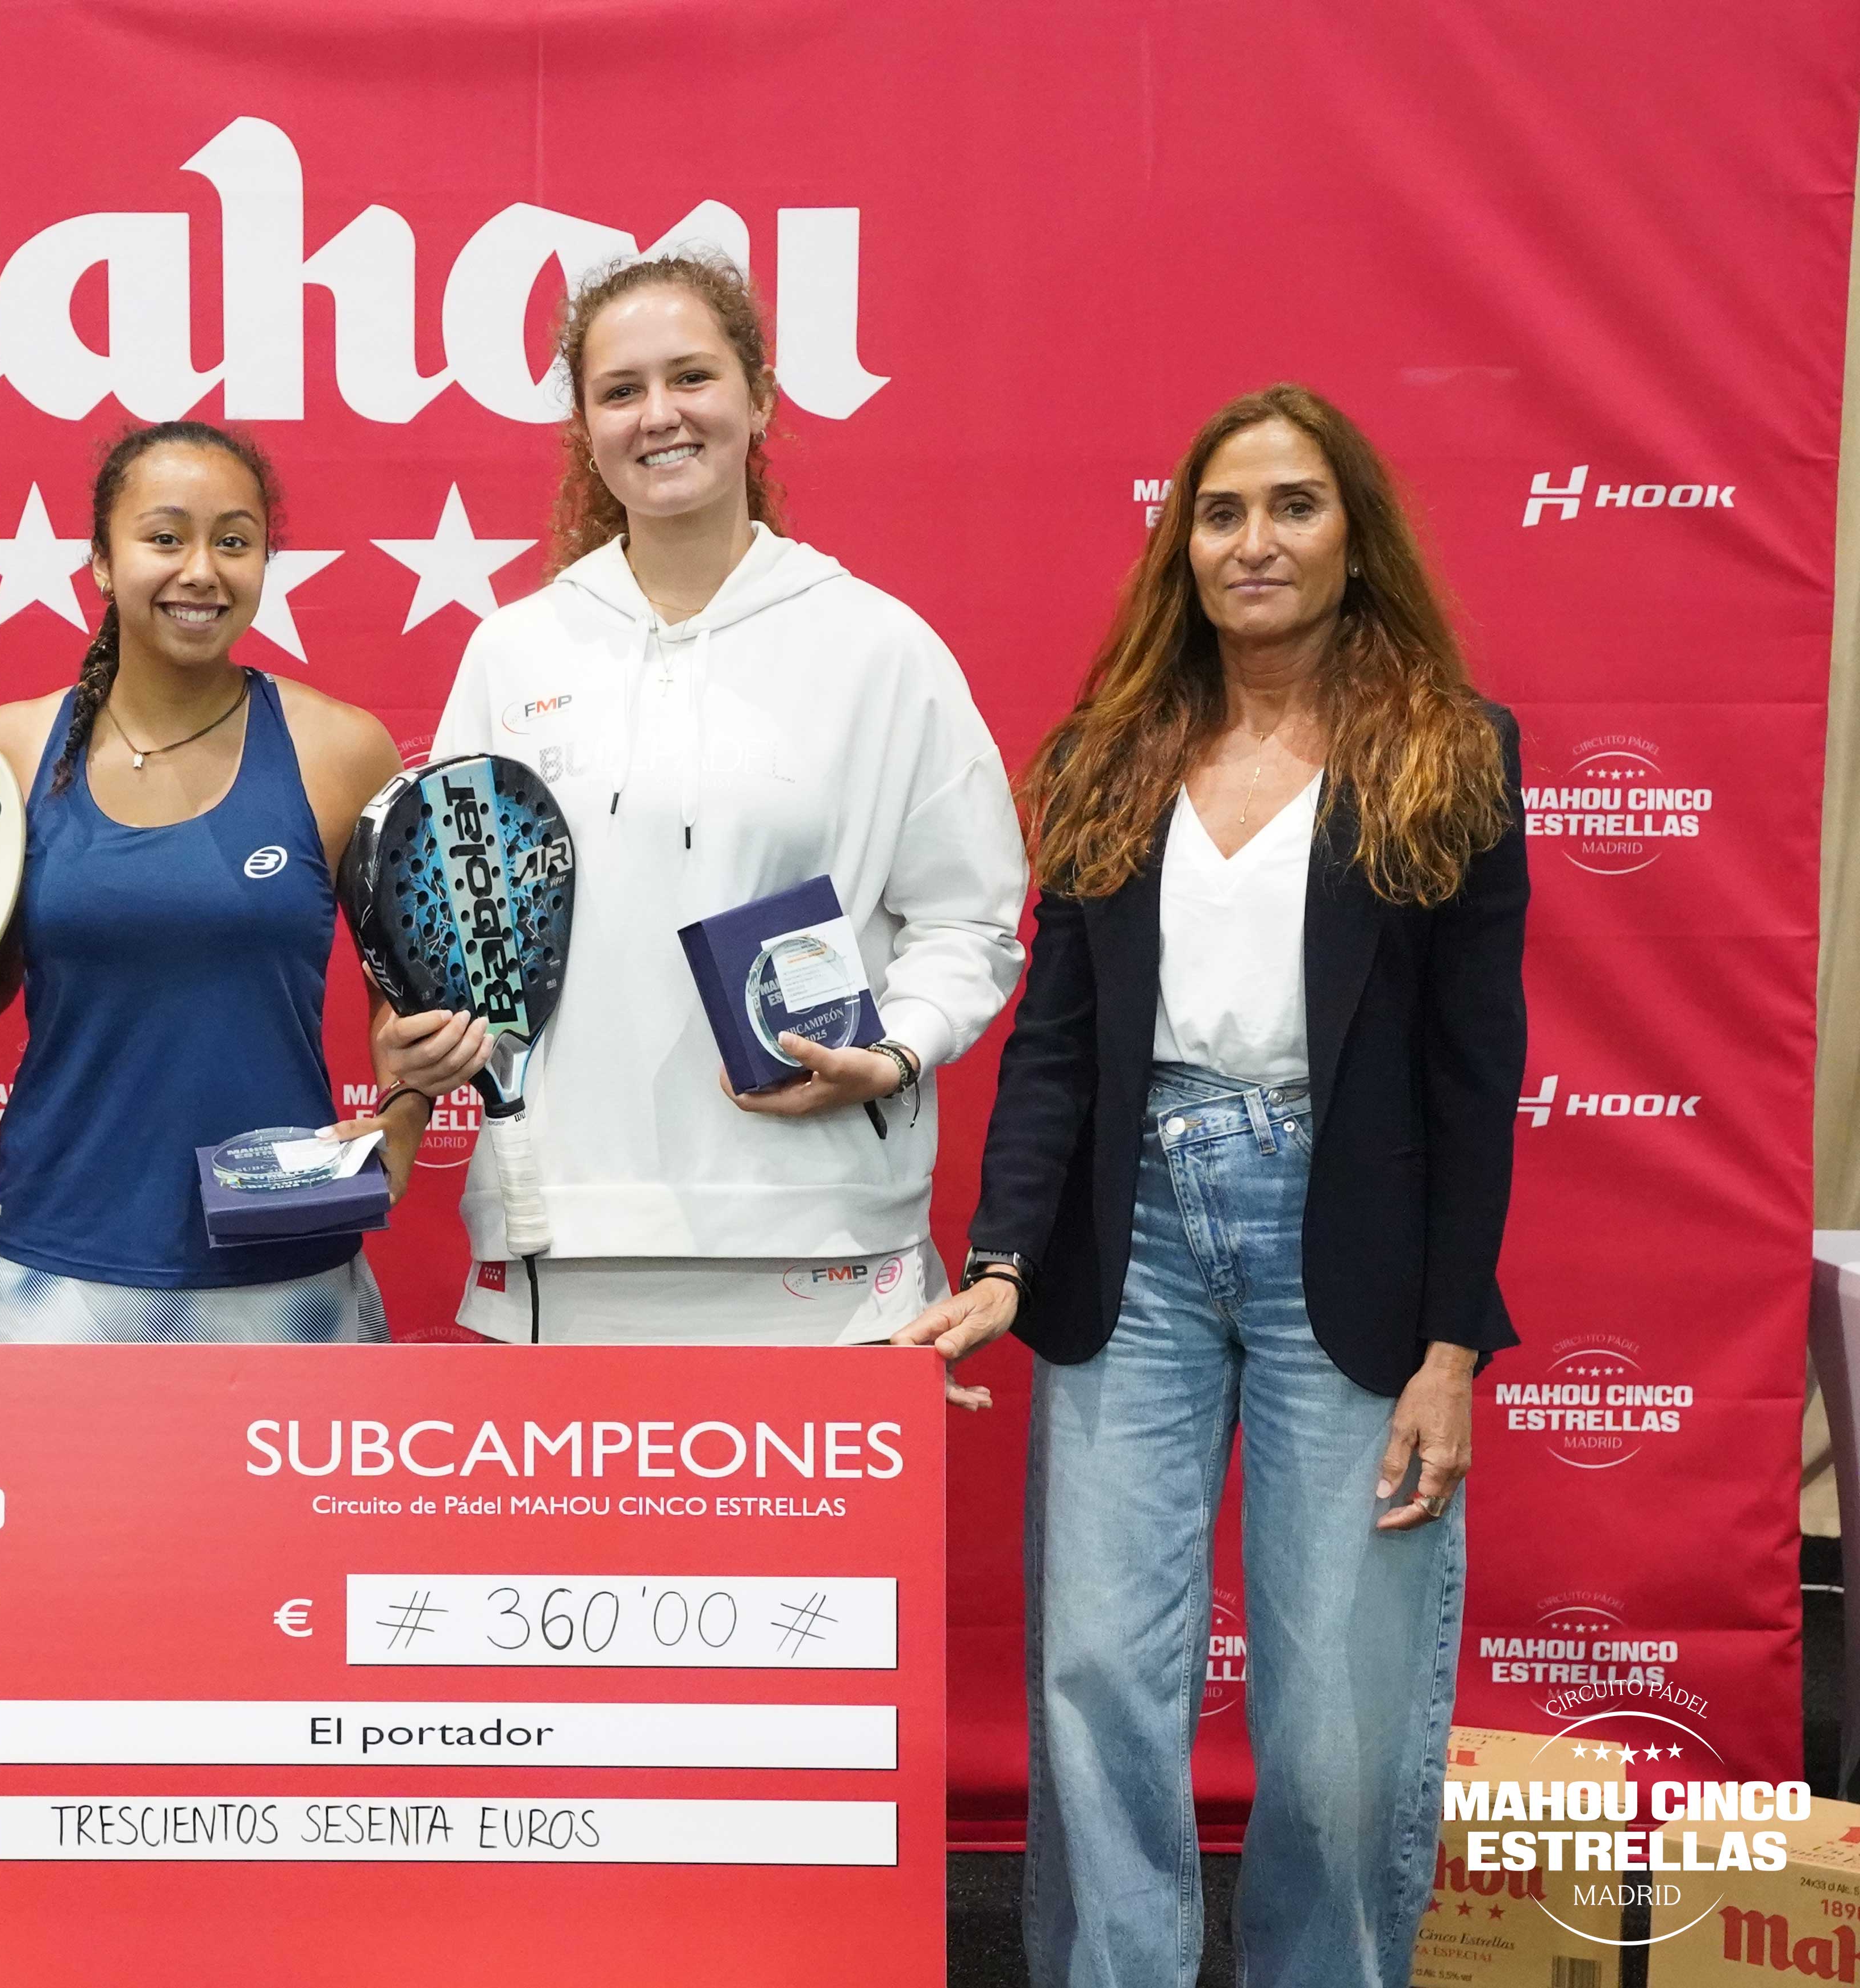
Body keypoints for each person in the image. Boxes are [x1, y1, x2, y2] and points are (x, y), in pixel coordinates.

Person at [897, 383, 1528, 1987]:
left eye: (1295, 506)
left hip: (1354, 1239)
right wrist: (1004, 1255)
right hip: (1136, 1240)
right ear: (1181, 545)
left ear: (1355, 537)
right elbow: (1056, 1037)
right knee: (1099, 1674)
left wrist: (1453, 1343)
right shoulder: (1109, 752)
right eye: (1222, 512)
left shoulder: (1450, 752)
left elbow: (1476, 1068)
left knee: (1336, 1712)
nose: (1256, 540)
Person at [418, 252, 1026, 1344]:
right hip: (567, 1236)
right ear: (586, 428)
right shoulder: (514, 652)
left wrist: (896, 1050)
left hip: (827, 1240)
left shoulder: (878, 646)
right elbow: (468, 941)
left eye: (692, 377)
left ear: (760, 399)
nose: (660, 415)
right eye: (622, 391)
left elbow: (967, 921)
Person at [0, 420, 468, 1340]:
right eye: (165, 538)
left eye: (235, 541)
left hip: (284, 1265)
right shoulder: (10, 747)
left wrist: (403, 1119)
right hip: (55, 1263)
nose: (201, 571)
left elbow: (407, 998)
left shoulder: (343, 749)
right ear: (100, 559)